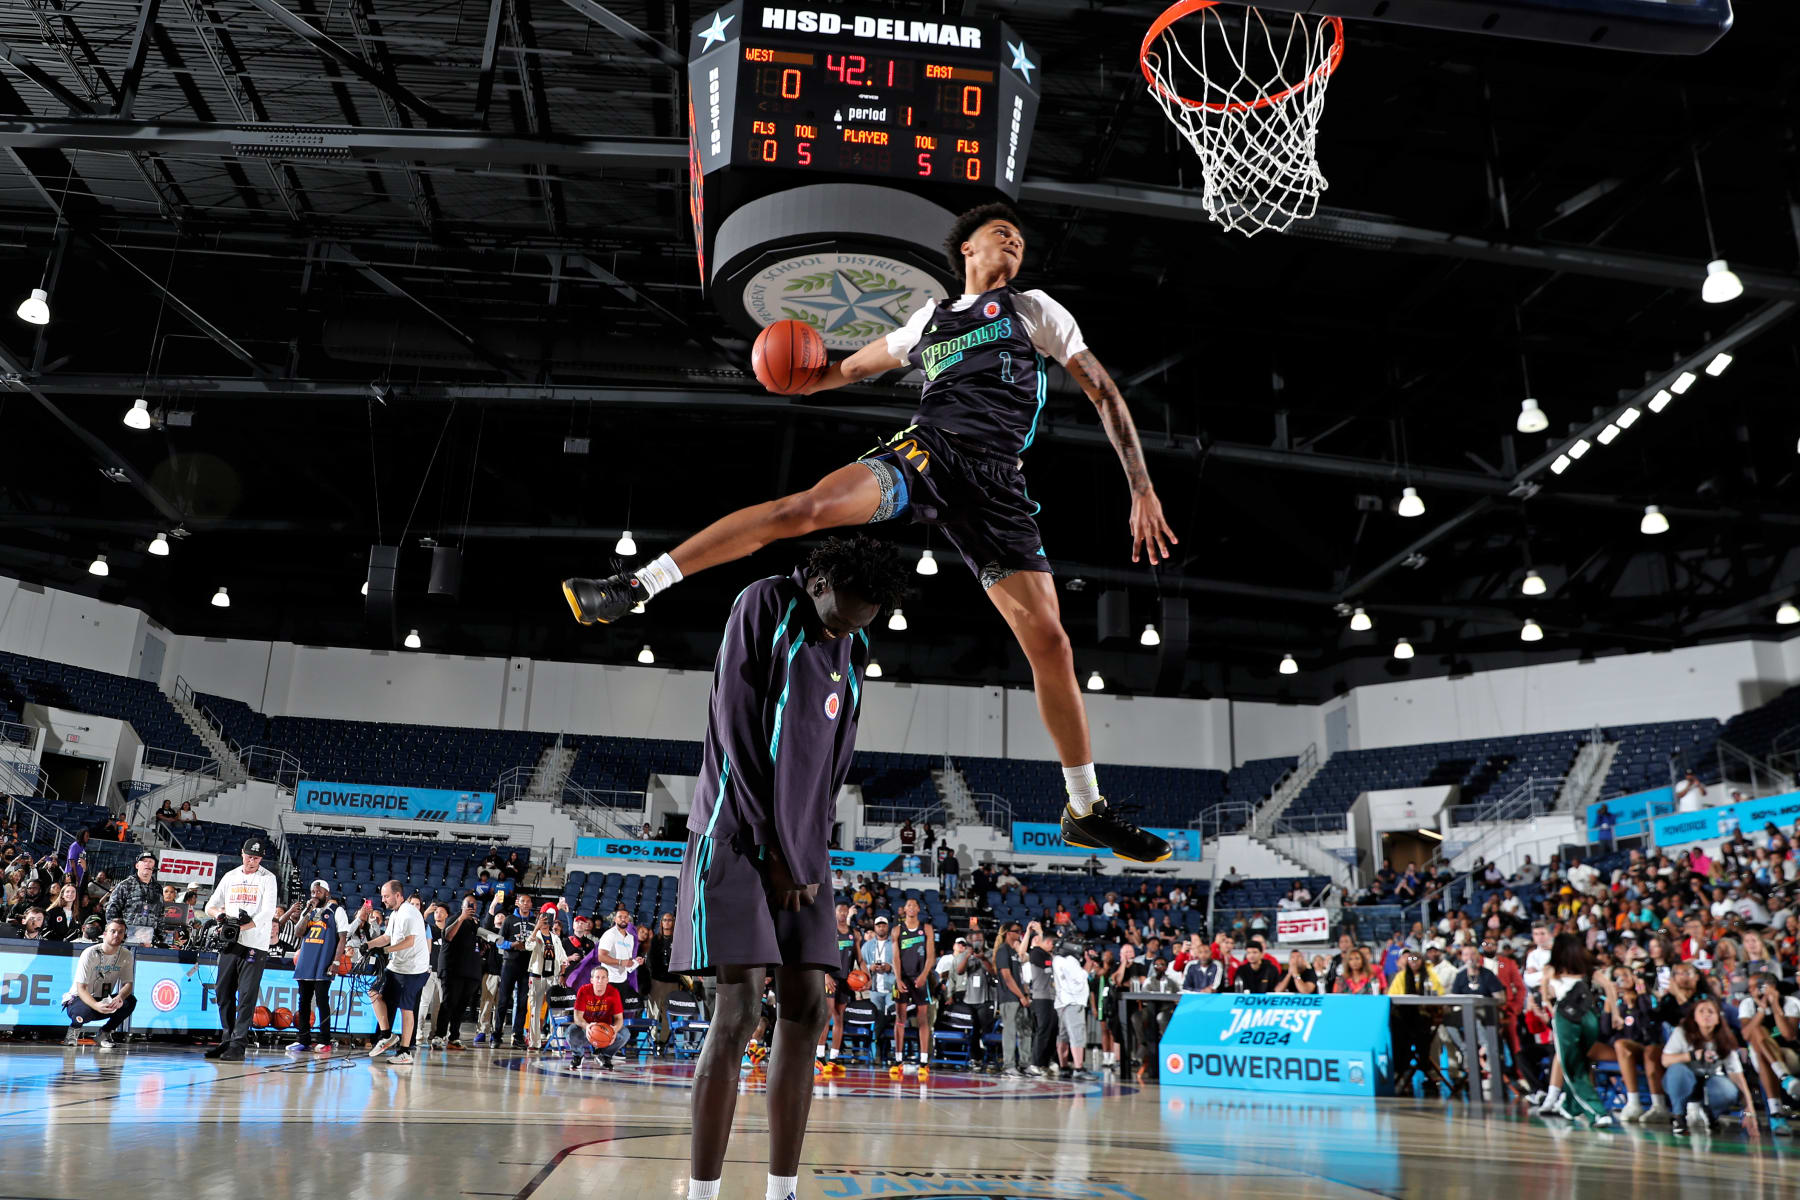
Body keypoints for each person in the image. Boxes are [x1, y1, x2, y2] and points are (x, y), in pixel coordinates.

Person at [564, 206, 1179, 867]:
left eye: (1021, 240)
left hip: (996, 490)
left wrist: (1140, 485)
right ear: (966, 248)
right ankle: (634, 585)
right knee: (800, 510)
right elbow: (844, 370)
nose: (1014, 243)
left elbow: (1106, 395)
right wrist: (796, 373)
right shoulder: (929, 321)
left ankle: (1085, 809)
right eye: (1002, 234)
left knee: (1052, 644)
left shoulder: (1033, 310)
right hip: (929, 455)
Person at [666, 535, 908, 1200]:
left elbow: (835, 758)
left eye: (860, 621)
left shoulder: (853, 644)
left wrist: (809, 848)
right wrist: (774, 850)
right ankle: (703, 1191)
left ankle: (782, 1191)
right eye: (837, 613)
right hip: (735, 833)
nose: (842, 628)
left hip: (802, 850)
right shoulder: (763, 604)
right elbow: (737, 732)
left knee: (810, 1008)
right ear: (821, 577)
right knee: (739, 1006)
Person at [202, 836, 280, 1063]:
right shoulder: (231, 876)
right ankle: (227, 1038)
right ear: (242, 853)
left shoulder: (268, 878)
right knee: (222, 991)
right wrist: (221, 917)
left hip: (254, 943)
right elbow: (210, 905)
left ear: (261, 858)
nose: (252, 861)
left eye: (256, 858)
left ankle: (238, 1043)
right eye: (249, 856)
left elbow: (268, 912)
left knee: (246, 995)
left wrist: (245, 926)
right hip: (230, 942)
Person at [1540, 932, 1614, 1127]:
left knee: (1572, 1067)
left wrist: (1549, 1009)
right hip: (1589, 1017)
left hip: (1566, 1018)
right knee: (1579, 1062)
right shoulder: (1587, 969)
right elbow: (1610, 987)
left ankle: (1597, 1113)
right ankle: (1569, 1106)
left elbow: (1544, 994)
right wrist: (1613, 1013)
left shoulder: (1552, 969)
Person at [1664, 997, 1756, 1136]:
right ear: (1694, 1017)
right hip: (1684, 1081)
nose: (1706, 1015)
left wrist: (1750, 1109)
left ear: (1718, 1018)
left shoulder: (1725, 1038)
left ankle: (1711, 1115)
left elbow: (1737, 1075)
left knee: (1728, 1090)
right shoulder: (1682, 1032)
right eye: (1701, 1011)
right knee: (1677, 1070)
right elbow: (1665, 1060)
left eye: (1711, 1012)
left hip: (1710, 1082)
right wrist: (1692, 1056)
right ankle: (1679, 1116)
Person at [366, 879, 430, 1066]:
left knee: (406, 1007)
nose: (383, 900)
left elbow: (409, 942)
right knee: (374, 993)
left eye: (386, 896)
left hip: (414, 969)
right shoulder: (395, 914)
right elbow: (387, 937)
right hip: (398, 965)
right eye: (382, 896)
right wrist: (368, 945)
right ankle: (386, 1035)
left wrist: (385, 951)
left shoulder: (409, 913)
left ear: (398, 895)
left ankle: (405, 1051)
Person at [287, 881, 348, 1054]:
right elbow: (298, 932)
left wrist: (336, 961)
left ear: (327, 893)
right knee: (303, 1002)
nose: (314, 894)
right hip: (306, 961)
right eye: (313, 891)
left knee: (322, 1001)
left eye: (318, 892)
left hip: (323, 961)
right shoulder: (309, 911)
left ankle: (324, 1040)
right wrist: (306, 913)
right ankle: (303, 1040)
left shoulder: (337, 910)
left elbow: (342, 938)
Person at [62, 918, 136, 1048]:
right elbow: (81, 988)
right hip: (81, 998)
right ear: (105, 934)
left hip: (104, 999)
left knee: (129, 1001)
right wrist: (96, 1005)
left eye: (120, 932)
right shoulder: (90, 953)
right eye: (113, 931)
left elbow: (128, 984)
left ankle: (104, 1033)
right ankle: (73, 1032)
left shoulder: (126, 955)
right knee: (82, 1013)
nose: (116, 935)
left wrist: (120, 997)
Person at [889, 897, 938, 1076]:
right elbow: (895, 958)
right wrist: (898, 978)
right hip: (903, 978)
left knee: (923, 1019)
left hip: (921, 977)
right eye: (908, 905)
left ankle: (924, 1062)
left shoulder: (926, 929)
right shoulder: (896, 930)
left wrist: (924, 975)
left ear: (918, 909)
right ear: (904, 909)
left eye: (914, 905)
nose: (911, 907)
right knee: (900, 1018)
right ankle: (898, 1059)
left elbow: (931, 956)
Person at [433, 892, 486, 1049]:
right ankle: (439, 1035)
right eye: (468, 904)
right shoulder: (454, 919)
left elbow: (474, 947)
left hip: (470, 971)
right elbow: (448, 936)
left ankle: (453, 1037)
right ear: (462, 907)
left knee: (461, 1006)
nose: (472, 907)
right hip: (452, 970)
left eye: (474, 905)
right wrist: (461, 917)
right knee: (449, 1003)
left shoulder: (475, 924)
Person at [495, 891, 536, 1048]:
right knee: (503, 1000)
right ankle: (497, 1035)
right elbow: (499, 941)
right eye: (523, 901)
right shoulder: (509, 920)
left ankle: (517, 1036)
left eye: (528, 901)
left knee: (523, 1002)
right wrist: (512, 945)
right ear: (518, 903)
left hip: (528, 965)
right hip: (510, 963)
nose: (526, 904)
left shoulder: (535, 921)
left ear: (531, 904)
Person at [1051, 937, 1095, 1080]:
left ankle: (1064, 1067)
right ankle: (1079, 1068)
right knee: (1077, 1035)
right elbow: (1081, 978)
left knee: (1063, 1036)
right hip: (1073, 1001)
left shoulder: (1057, 958)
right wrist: (1089, 962)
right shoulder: (1070, 960)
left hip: (1062, 1002)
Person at [569, 964, 625, 1071]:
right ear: (591, 980)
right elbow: (577, 1017)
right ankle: (578, 1056)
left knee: (625, 1033)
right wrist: (587, 1026)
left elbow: (619, 1018)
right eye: (597, 977)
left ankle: (604, 1056)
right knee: (571, 1032)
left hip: (605, 1030)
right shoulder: (583, 991)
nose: (600, 980)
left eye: (603, 977)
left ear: (608, 980)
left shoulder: (613, 992)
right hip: (587, 1028)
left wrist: (615, 1030)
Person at [995, 922, 1031, 1075]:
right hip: (1009, 997)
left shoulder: (1014, 952)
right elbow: (1007, 977)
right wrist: (1021, 996)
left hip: (1019, 996)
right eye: (1017, 932)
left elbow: (1020, 976)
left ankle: (1025, 1063)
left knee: (1025, 1029)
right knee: (1010, 1031)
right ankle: (1009, 1065)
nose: (1019, 934)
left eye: (1021, 931)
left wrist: (1026, 994)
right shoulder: (1003, 950)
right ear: (1008, 933)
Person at [105, 852, 160, 947]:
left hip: (149, 939)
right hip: (127, 938)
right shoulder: (125, 885)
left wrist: (159, 935)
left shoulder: (158, 888)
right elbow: (111, 912)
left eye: (150, 861)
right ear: (137, 865)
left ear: (154, 867)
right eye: (144, 861)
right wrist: (119, 934)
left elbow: (160, 912)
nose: (147, 863)